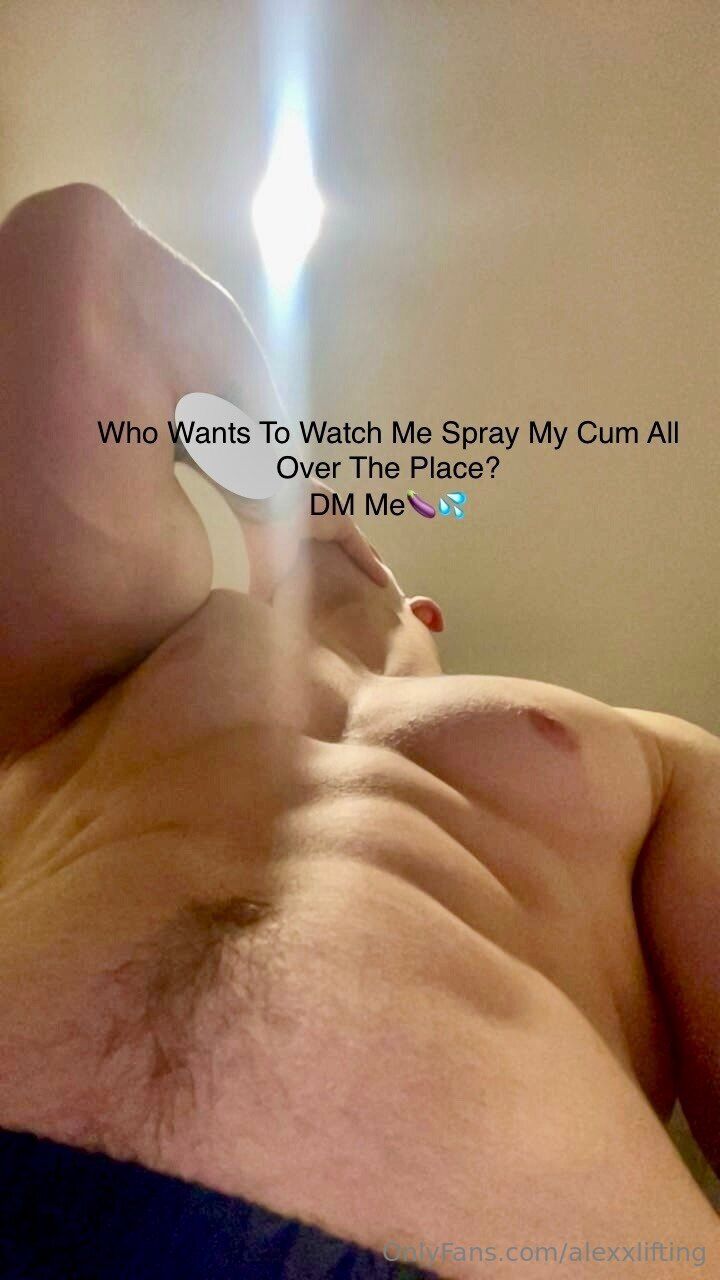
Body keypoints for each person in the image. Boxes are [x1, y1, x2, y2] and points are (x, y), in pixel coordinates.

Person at [0, 184, 717, 1279]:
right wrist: (279, 483)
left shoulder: (642, 745)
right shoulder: (135, 649)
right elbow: (76, 265)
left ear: (428, 612)